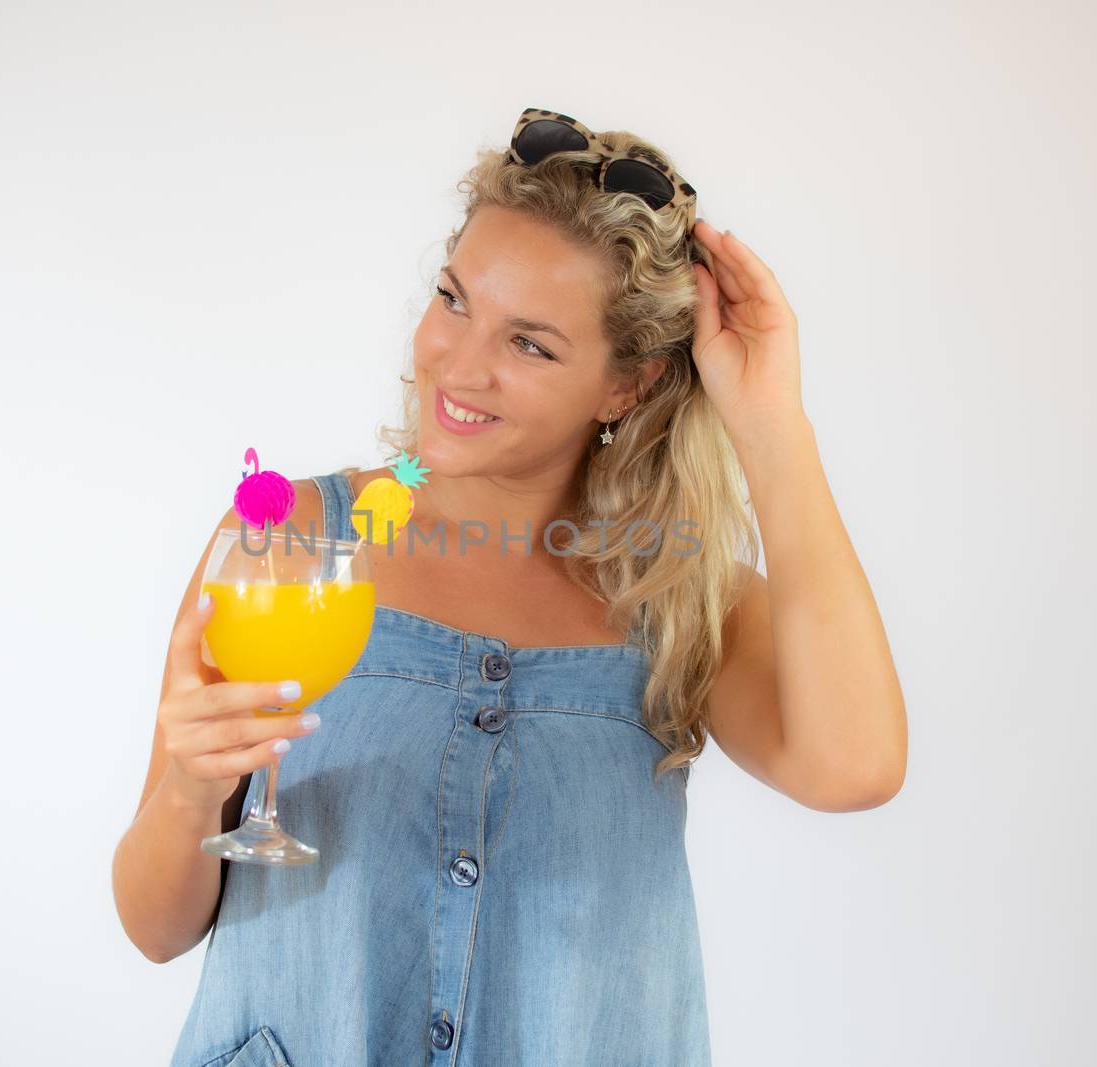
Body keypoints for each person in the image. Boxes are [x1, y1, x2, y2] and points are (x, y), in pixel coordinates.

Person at [112, 108, 908, 1066]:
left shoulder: (681, 592)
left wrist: (772, 422)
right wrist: (192, 793)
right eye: (455, 300)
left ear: (627, 386)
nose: (460, 362)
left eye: (530, 344)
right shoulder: (284, 542)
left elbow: (856, 765)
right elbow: (154, 927)